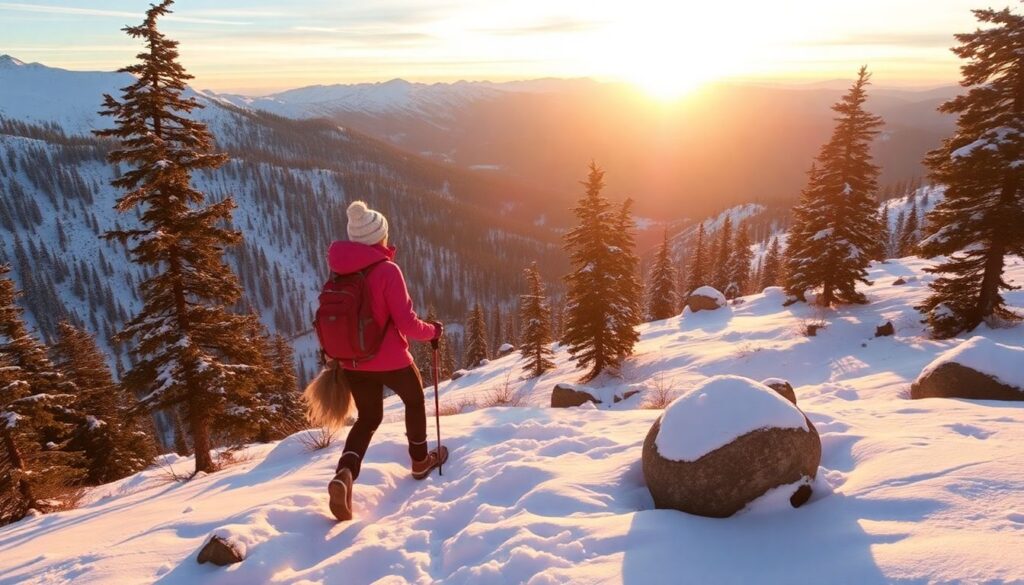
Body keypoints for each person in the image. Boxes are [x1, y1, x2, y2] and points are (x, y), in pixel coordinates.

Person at [324, 200, 447, 522]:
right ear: (380, 237)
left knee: (367, 418)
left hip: (352, 361)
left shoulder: (340, 269)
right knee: (414, 400)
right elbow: (407, 324)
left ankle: (345, 473)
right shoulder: (387, 270)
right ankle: (420, 460)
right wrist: (432, 331)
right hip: (390, 358)